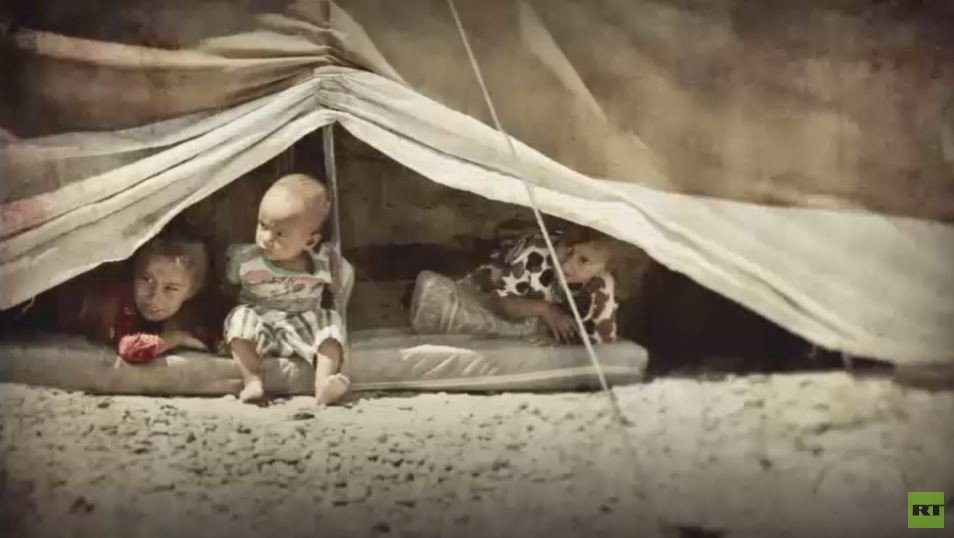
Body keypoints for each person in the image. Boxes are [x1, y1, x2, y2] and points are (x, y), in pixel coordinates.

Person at [222, 173, 348, 405]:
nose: (266, 238)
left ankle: (324, 383)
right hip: (261, 323)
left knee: (331, 322)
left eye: (280, 234)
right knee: (239, 318)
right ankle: (252, 380)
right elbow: (228, 287)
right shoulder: (245, 259)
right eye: (262, 225)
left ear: (309, 241)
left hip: (302, 323)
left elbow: (344, 284)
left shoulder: (324, 263)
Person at [54, 229, 214, 362]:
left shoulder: (191, 313)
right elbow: (129, 349)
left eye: (171, 288)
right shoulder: (119, 302)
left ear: (192, 291)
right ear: (133, 275)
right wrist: (174, 339)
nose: (154, 297)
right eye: (146, 279)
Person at [468, 224, 621, 344]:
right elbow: (499, 301)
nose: (566, 264)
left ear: (604, 269)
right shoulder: (534, 256)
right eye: (567, 251)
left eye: (584, 260)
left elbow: (603, 339)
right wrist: (545, 309)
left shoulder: (603, 284)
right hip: (502, 265)